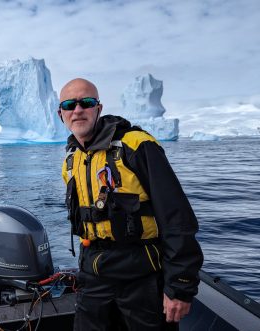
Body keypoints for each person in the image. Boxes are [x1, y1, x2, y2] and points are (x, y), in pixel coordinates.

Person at [58, 78, 203, 331]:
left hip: (141, 276)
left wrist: (180, 286)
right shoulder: (72, 160)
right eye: (70, 104)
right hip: (94, 275)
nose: (78, 110)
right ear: (61, 114)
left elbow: (176, 217)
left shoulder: (136, 145)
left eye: (86, 102)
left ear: (98, 108)